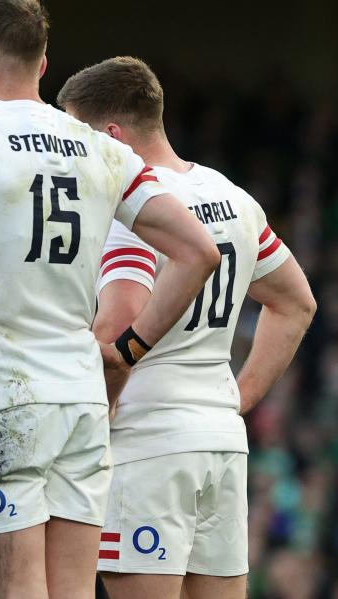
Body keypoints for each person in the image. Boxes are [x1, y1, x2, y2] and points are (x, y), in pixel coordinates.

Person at [0, 2, 222, 598]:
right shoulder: (105, 151)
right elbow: (198, 252)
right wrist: (126, 351)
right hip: (80, 398)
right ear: (43, 65)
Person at [56, 56, 317, 599]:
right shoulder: (233, 198)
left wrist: (81, 434)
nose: (73, 157)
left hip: (148, 446)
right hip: (220, 444)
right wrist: (234, 401)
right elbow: (296, 303)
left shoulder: (135, 211)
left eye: (76, 139)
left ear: (111, 136)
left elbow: (118, 329)